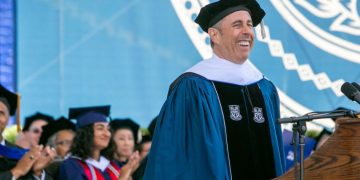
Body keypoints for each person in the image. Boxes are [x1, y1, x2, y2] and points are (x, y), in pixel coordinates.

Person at [144, 1, 285, 179]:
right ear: (214, 35)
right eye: (237, 25)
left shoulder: (264, 87)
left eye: (250, 25)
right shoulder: (193, 88)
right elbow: (176, 160)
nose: (247, 32)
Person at [59, 105, 140, 180]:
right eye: (100, 128)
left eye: (108, 129)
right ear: (85, 133)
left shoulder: (114, 165)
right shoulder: (71, 166)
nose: (107, 134)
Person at [0, 84, 56, 179]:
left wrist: (37, 173)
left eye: (1, 113)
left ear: (8, 119)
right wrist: (16, 171)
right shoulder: (22, 161)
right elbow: (19, 170)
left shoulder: (19, 154)